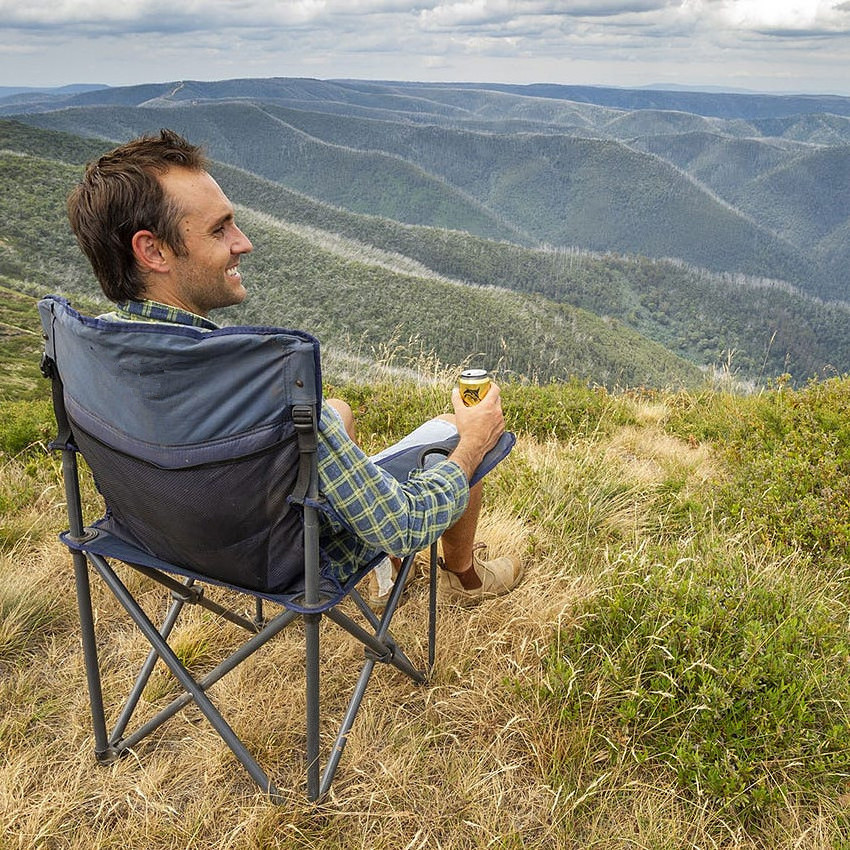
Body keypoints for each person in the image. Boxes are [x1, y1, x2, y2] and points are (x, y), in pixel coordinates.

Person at [66, 129, 522, 606]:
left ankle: (389, 573)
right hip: (282, 560)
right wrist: (472, 443)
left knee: (336, 411)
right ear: (153, 251)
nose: (243, 243)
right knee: (453, 428)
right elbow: (404, 525)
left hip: (166, 541)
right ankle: (463, 578)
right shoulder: (264, 385)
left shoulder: (88, 349)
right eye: (220, 229)